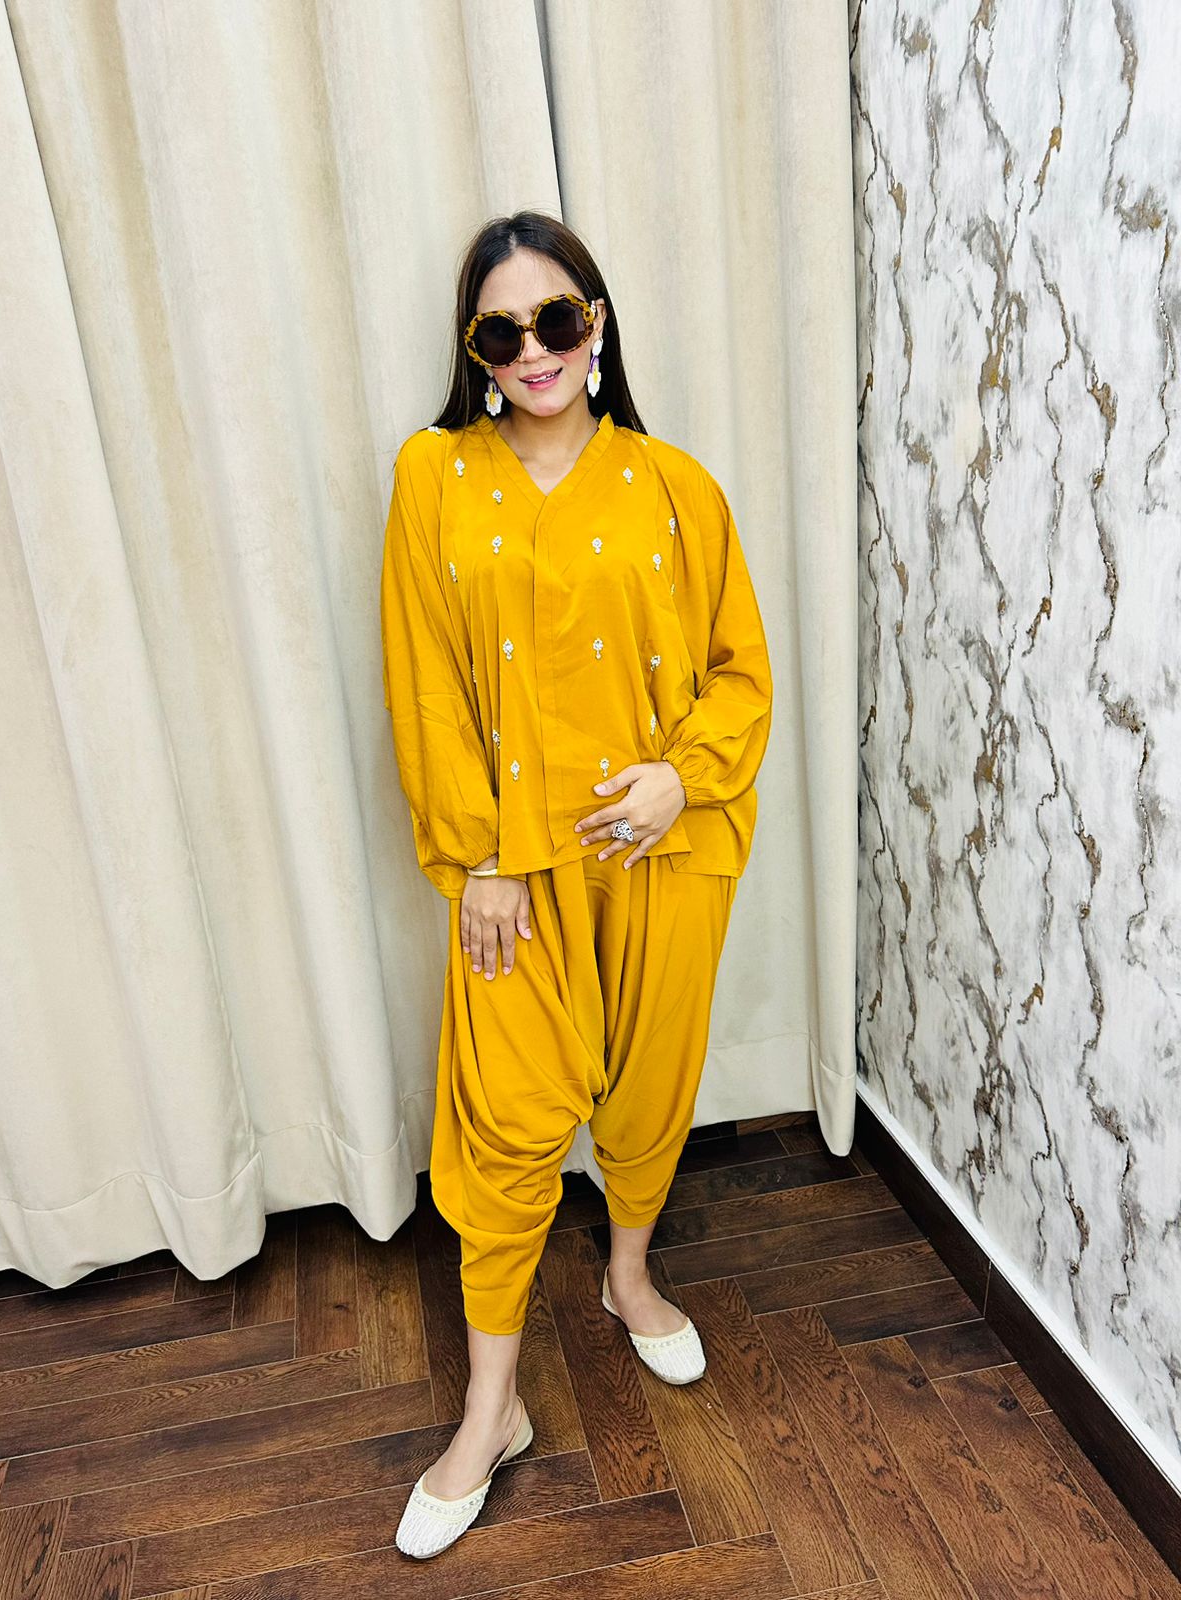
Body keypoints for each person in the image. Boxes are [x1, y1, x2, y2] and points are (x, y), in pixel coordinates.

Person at [380, 209, 772, 1558]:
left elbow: (739, 673)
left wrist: (682, 777)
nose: (534, 350)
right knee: (507, 1124)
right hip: (517, 876)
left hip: (662, 854)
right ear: (475, 351)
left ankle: (628, 1276)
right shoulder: (434, 479)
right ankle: (490, 1411)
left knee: (651, 1081)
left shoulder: (676, 488)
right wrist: (480, 859)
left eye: (557, 319)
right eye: (503, 332)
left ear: (595, 326)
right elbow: (426, 680)